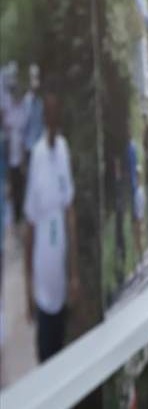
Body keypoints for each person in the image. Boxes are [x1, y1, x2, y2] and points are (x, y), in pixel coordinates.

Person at [23, 93, 77, 362]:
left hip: (62, 282)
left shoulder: (64, 150)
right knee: (47, 357)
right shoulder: (37, 157)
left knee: (64, 355)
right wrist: (28, 288)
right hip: (43, 285)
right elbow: (29, 228)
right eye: (49, 114)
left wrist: (75, 272)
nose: (53, 120)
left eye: (57, 114)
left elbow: (70, 213)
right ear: (45, 118)